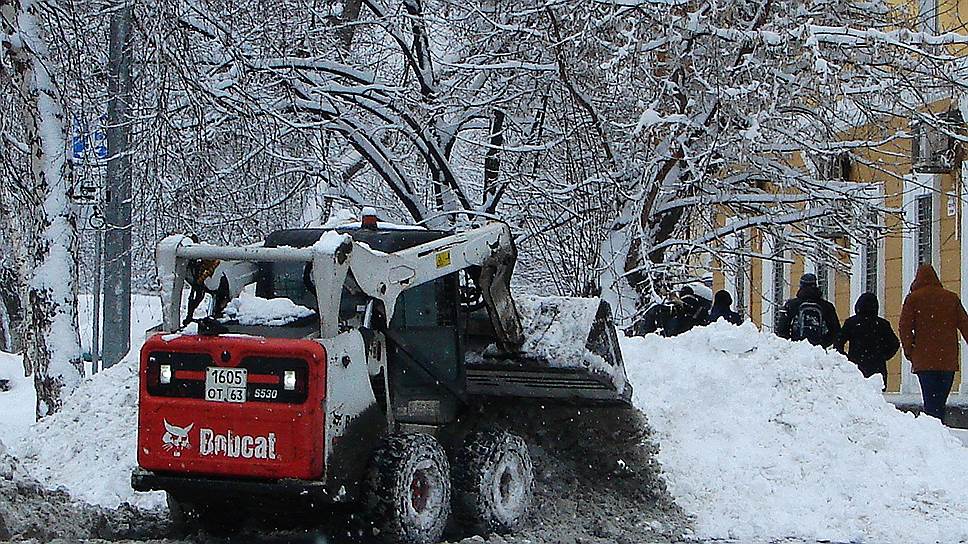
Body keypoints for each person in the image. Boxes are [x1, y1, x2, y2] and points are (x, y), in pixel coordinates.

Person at [898, 264, 968, 423]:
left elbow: (904, 327)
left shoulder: (913, 299)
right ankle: (939, 430)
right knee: (940, 401)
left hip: (924, 360)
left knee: (930, 401)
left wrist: (910, 351)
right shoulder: (951, 298)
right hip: (947, 360)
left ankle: (934, 432)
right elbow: (965, 324)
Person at [834, 292, 899, 390]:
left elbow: (838, 342)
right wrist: (883, 356)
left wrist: (845, 358)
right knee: (876, 398)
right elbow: (894, 344)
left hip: (856, 367)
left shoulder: (852, 323)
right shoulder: (882, 324)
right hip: (877, 368)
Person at [775, 273, 841, 348]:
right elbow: (836, 331)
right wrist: (823, 343)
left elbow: (782, 330)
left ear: (801, 286)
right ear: (816, 285)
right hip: (818, 350)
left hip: (796, 348)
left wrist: (792, 343)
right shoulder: (827, 306)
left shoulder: (792, 305)